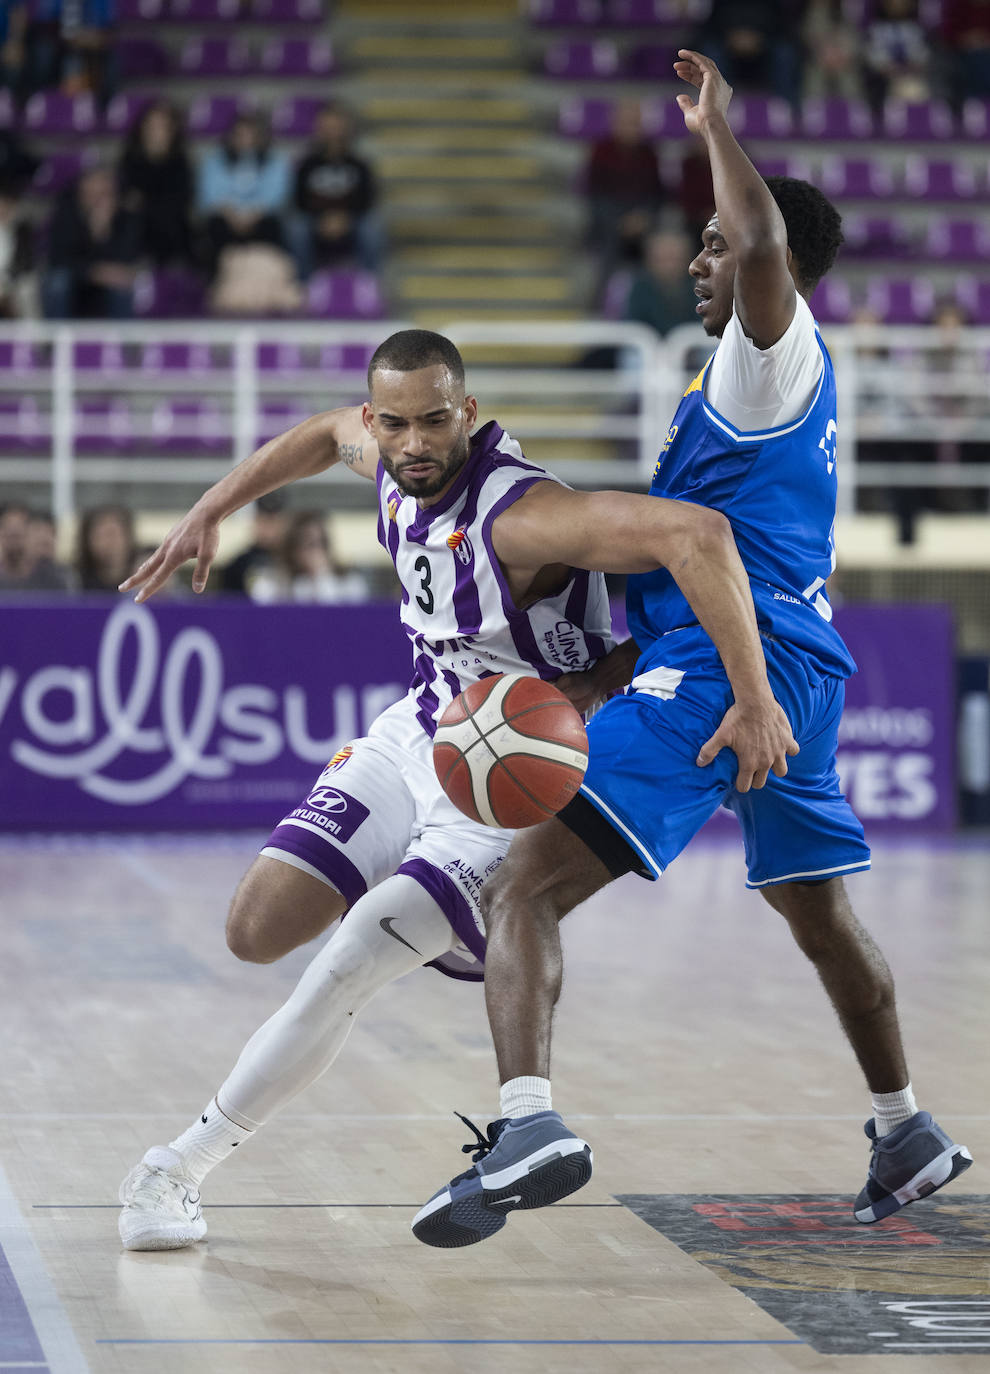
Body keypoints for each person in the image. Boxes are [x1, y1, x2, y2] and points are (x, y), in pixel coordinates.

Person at [414, 52, 972, 1250]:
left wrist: (718, 131)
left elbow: (763, 240)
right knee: (818, 917)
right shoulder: (743, 385)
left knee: (523, 885)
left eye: (712, 247)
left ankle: (528, 1123)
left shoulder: (770, 354)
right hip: (795, 671)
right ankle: (907, 1126)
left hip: (739, 683)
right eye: (701, 246)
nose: (699, 260)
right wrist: (607, 675)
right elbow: (698, 566)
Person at [115, 327, 796, 1251]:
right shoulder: (384, 453)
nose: (415, 443)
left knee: (351, 959)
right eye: (395, 424)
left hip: (506, 774)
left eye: (436, 421)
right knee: (254, 931)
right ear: (377, 420)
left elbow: (699, 534)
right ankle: (422, 918)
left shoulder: (521, 515)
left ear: (467, 413)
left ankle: (176, 1171)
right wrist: (212, 508)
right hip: (423, 732)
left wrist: (747, 696)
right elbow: (321, 436)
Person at [288, 101, 384, 278]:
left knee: (372, 229)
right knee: (297, 229)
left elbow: (366, 199)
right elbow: (299, 199)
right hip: (316, 219)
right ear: (319, 129)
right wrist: (324, 218)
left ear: (346, 128)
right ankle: (305, 283)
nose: (332, 132)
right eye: (327, 126)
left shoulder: (359, 164)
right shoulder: (307, 164)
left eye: (336, 126)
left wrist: (343, 218)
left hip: (351, 219)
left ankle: (368, 283)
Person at [41, 166, 143, 320]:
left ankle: (123, 341)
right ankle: (57, 339)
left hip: (108, 284)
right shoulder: (65, 215)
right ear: (81, 193)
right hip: (76, 281)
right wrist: (95, 272)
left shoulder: (126, 218)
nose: (98, 200)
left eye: (104, 194)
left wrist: (103, 232)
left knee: (123, 285)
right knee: (57, 281)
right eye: (92, 194)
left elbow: (127, 259)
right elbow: (59, 259)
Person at [118, 101, 195, 269]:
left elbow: (181, 199)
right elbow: (127, 198)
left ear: (172, 130)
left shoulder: (180, 161)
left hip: (171, 228)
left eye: (162, 126)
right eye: (152, 125)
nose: (156, 132)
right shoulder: (130, 159)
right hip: (139, 227)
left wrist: (146, 202)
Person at [248, 509, 372, 604]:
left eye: (321, 543)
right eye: (309, 544)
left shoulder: (348, 581)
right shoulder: (273, 582)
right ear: (292, 547)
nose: (316, 551)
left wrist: (323, 576)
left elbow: (338, 617)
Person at [218, 490, 289, 595]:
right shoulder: (237, 566)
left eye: (274, 520)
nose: (270, 528)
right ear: (255, 521)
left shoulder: (292, 560)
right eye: (264, 520)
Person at [76, 503, 137, 591]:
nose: (108, 542)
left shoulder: (146, 574)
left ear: (128, 536)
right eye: (100, 535)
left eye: (112, 534)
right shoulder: (74, 582)